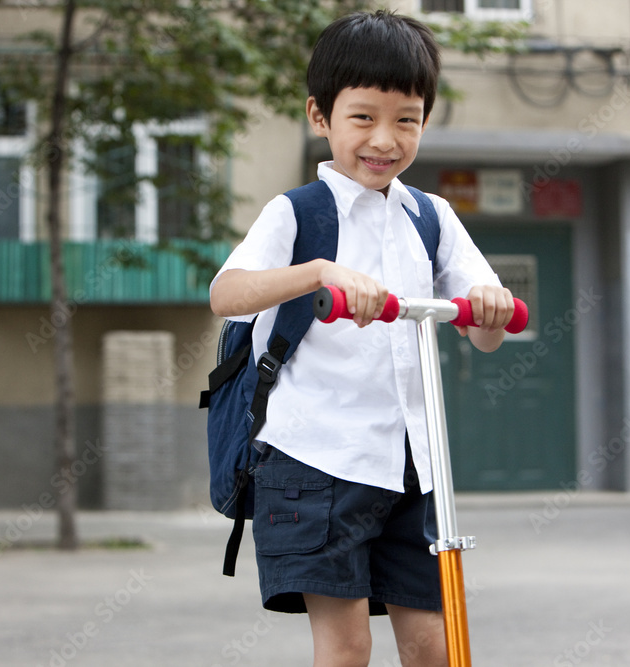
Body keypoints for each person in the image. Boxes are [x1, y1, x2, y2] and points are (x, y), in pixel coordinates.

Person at [209, 10, 514, 667]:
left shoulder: (432, 218)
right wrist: (316, 273)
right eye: (363, 117)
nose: (385, 138)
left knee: (434, 645)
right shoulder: (297, 214)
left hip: (413, 465)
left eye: (406, 119)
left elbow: (486, 335)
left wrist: (489, 310)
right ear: (320, 116)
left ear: (424, 121)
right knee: (347, 646)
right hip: (316, 458)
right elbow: (225, 293)